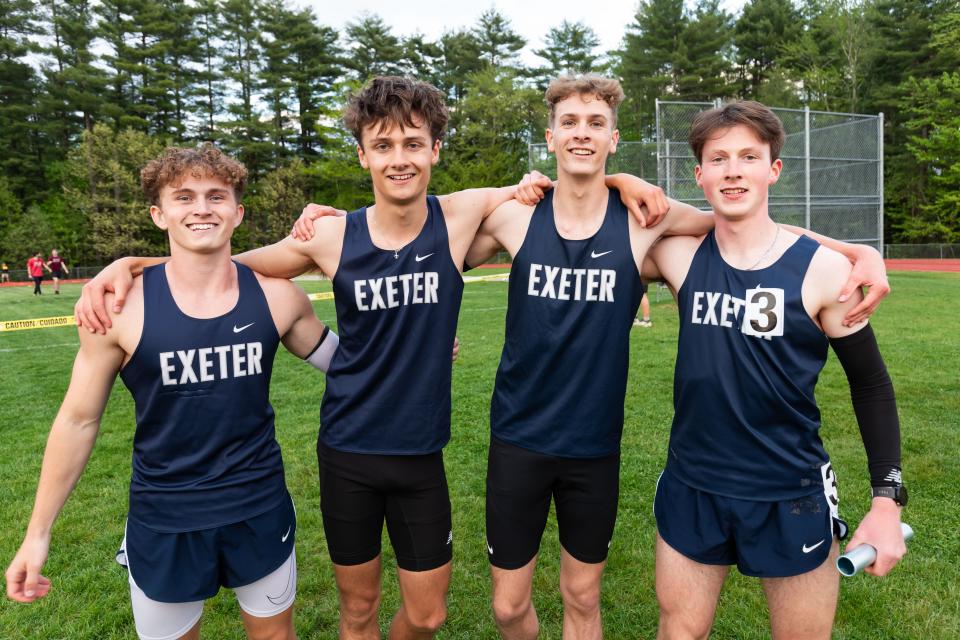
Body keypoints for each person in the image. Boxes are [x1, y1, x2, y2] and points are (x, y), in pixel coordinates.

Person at [73, 77, 648, 640]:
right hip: (347, 451)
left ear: (435, 151)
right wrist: (132, 263)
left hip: (422, 454)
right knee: (357, 610)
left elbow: (569, 181)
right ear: (363, 155)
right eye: (383, 145)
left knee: (427, 617)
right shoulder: (331, 235)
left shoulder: (464, 214)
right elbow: (225, 260)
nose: (399, 159)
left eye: (413, 144)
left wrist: (626, 180)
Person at [5, 144, 338, 640]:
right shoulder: (118, 309)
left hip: (259, 506)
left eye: (216, 196)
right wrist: (37, 534)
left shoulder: (277, 297)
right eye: (184, 197)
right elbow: (78, 420)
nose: (202, 208)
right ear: (159, 214)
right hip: (164, 519)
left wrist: (420, 350)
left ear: (237, 212)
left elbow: (345, 364)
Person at [642, 101, 906, 639]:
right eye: (718, 159)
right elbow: (593, 216)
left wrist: (885, 499)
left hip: (790, 490)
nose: (733, 170)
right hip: (694, 484)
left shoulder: (824, 272)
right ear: (700, 175)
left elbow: (872, 385)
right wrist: (624, 178)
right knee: (678, 632)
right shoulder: (678, 257)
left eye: (748, 157)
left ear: (773, 169)